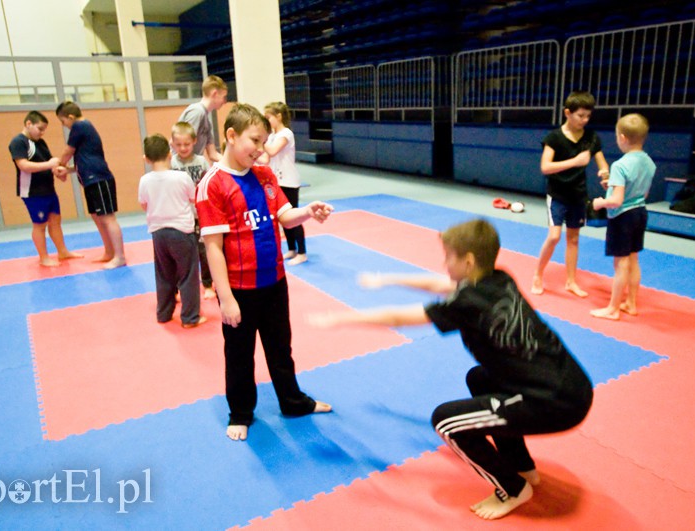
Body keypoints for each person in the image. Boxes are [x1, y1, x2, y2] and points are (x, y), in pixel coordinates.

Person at [309, 219, 593, 521]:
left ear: (468, 261)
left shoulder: (467, 303)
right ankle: (522, 467)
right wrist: (387, 279)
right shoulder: (498, 279)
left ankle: (512, 489)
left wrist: (342, 319)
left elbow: (398, 317)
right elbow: (439, 284)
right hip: (572, 385)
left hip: (555, 403)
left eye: (448, 257)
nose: (444, 264)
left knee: (446, 422)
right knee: (479, 379)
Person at [195, 103, 334, 442]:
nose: (260, 149)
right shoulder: (213, 184)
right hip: (239, 289)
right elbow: (213, 247)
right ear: (231, 136)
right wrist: (225, 298)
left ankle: (293, 401)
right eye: (254, 141)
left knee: (280, 348)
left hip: (274, 282)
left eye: (263, 142)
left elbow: (284, 216)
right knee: (240, 356)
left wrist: (308, 211)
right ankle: (241, 412)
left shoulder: (265, 175)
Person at [532, 91, 609, 297]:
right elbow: (545, 167)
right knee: (554, 236)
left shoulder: (591, 137)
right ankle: (538, 275)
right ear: (567, 113)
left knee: (573, 239)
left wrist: (605, 176)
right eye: (580, 115)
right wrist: (575, 162)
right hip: (557, 194)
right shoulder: (554, 138)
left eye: (588, 116)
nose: (585, 120)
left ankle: (571, 281)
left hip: (578, 194)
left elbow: (602, 163)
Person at [590, 113, 656, 320]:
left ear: (622, 138)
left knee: (620, 264)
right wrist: (612, 186)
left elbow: (617, 201)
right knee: (633, 259)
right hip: (640, 213)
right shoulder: (649, 162)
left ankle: (613, 308)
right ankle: (631, 303)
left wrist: (600, 202)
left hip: (622, 217)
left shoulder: (620, 165)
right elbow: (643, 194)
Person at [138, 133, 206, 328]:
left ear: (146, 159)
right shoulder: (181, 177)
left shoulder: (145, 180)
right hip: (182, 231)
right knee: (188, 274)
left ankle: (164, 313)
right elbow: (193, 199)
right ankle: (190, 317)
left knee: (164, 274)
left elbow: (143, 204)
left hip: (158, 233)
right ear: (170, 154)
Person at [55, 101, 126, 269]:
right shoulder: (83, 132)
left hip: (99, 179)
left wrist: (59, 165)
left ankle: (120, 256)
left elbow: (67, 151)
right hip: (90, 180)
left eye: (63, 121)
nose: (63, 125)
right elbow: (83, 161)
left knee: (107, 218)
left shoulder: (79, 126)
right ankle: (109, 252)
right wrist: (67, 170)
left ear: (70, 117)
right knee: (97, 217)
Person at [8, 111, 83, 267]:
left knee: (55, 221)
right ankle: (44, 257)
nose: (42, 133)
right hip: (33, 191)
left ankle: (63, 252)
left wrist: (58, 171)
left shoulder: (40, 142)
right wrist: (49, 164)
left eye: (44, 130)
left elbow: (50, 162)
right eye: (40, 129)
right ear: (28, 124)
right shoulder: (18, 142)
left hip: (48, 188)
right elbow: (23, 165)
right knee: (40, 224)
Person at [259, 101, 308, 266]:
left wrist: (260, 140)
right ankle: (292, 248)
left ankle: (302, 252)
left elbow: (272, 151)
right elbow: (267, 158)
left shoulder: (286, 133)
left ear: (278, 116)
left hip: (289, 181)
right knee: (282, 217)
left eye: (268, 117)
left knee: (294, 216)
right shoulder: (273, 136)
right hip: (277, 181)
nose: (267, 120)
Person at [170, 121, 215, 300]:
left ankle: (208, 284)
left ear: (194, 141)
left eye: (186, 144)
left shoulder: (201, 161)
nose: (183, 148)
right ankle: (180, 288)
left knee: (203, 251)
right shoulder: (171, 163)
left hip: (199, 215)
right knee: (181, 254)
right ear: (172, 144)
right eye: (178, 144)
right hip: (179, 216)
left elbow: (210, 184)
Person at [177, 75, 228, 163]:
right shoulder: (197, 112)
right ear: (215, 94)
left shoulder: (206, 120)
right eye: (223, 97)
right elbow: (183, 145)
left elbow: (213, 154)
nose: (224, 101)